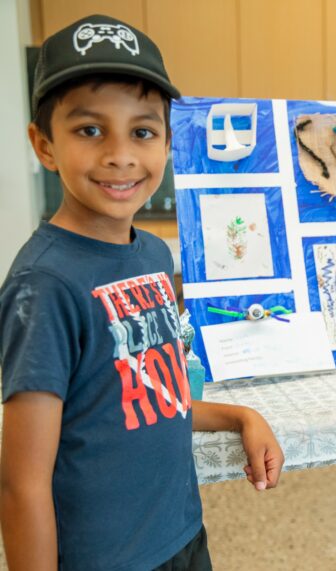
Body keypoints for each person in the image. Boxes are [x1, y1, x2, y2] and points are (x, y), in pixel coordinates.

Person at [0, 14, 284, 570]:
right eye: (89, 130)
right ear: (44, 145)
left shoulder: (153, 255)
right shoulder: (46, 286)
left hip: (180, 535)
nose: (121, 154)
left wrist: (238, 415)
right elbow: (21, 485)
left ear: (168, 143)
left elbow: (150, 398)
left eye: (143, 131)